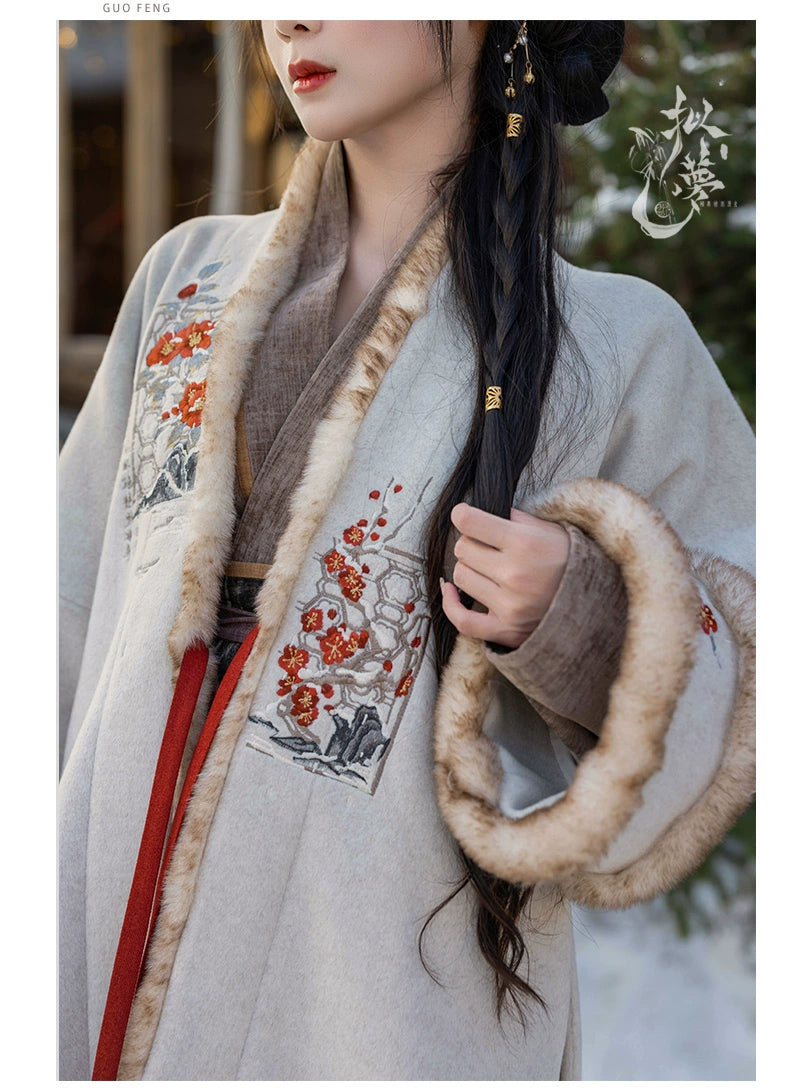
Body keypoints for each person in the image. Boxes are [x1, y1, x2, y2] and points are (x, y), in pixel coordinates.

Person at [59, 20, 755, 1081]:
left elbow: (749, 663)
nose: (288, 18)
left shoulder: (613, 344)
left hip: (382, 1005)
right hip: (89, 942)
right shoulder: (182, 283)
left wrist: (577, 611)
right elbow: (60, 616)